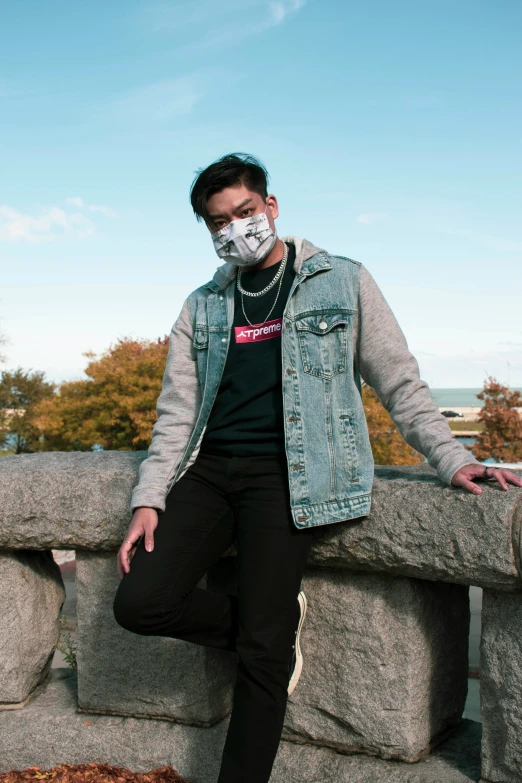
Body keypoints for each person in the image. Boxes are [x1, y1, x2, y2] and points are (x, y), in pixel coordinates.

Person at [112, 152, 522, 783]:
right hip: (210, 472)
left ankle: (263, 657)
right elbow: (176, 413)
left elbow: (399, 382)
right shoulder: (202, 306)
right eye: (218, 222)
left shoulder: (343, 280)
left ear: (270, 208)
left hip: (290, 480)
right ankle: (265, 623)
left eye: (245, 212)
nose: (235, 229)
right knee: (140, 603)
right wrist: (149, 497)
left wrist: (453, 458)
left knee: (263, 657)